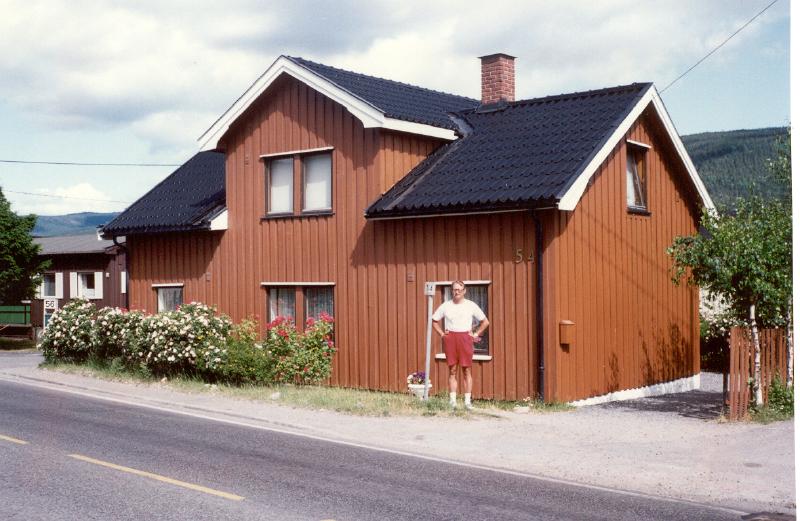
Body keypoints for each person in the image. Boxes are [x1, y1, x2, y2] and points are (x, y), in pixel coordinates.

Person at [431, 280, 489, 410]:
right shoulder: (446, 306)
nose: (456, 292)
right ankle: (452, 402)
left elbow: (485, 322)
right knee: (452, 370)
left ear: (464, 291)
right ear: (452, 290)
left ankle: (467, 402)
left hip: (465, 338)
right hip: (451, 338)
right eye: (454, 289)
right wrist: (442, 334)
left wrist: (475, 334)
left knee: (466, 370)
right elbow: (434, 320)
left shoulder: (470, 305)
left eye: (459, 290)